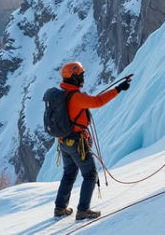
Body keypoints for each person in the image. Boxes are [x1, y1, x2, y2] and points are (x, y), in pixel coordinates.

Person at [54, 62, 130, 220]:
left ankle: (60, 208)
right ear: (74, 77)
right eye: (81, 75)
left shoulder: (63, 94)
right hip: (77, 142)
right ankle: (83, 210)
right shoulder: (75, 97)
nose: (82, 78)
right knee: (90, 175)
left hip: (64, 142)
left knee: (69, 174)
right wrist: (118, 89)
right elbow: (98, 102)